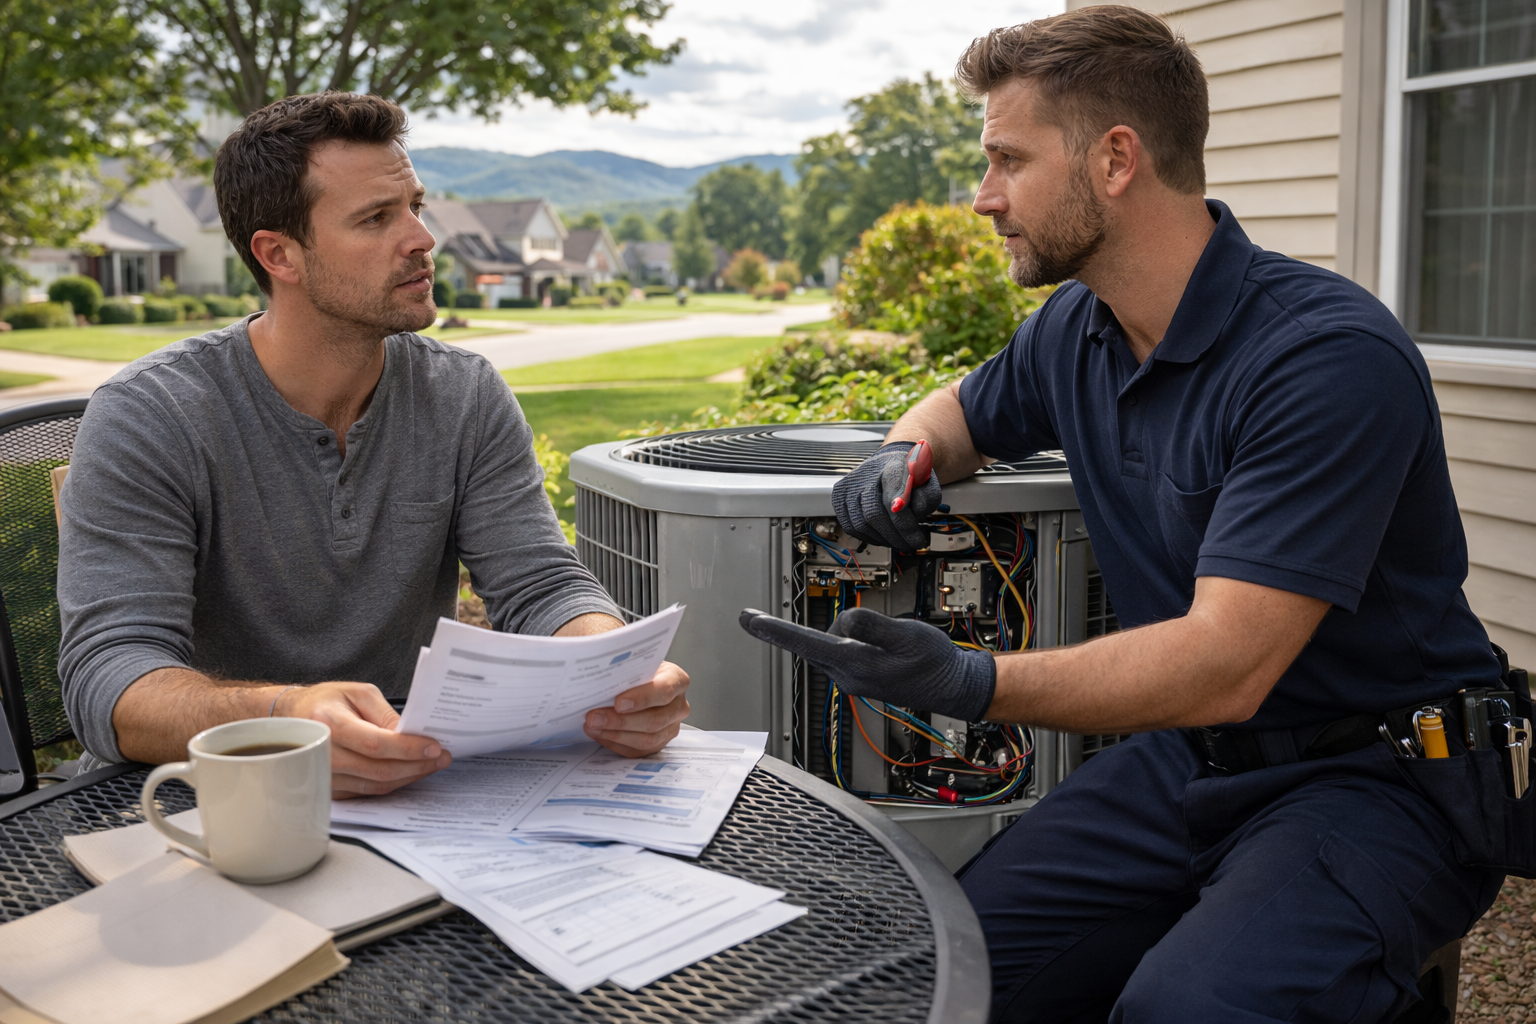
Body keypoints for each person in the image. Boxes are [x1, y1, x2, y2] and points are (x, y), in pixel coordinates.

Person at [740, 7, 1508, 1022]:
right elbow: (960, 413)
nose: (983, 199)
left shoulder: (1323, 360)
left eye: (1008, 160)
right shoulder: (1079, 328)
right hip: (1185, 761)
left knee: (1187, 1008)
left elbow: (1227, 664)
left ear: (1114, 160)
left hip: (1379, 777)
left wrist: (970, 680)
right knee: (945, 971)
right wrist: (903, 451)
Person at [58, 92, 689, 798]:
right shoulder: (152, 414)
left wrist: (612, 674)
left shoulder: (465, 394)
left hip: (406, 784)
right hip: (188, 801)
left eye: (415, 205)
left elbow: (539, 585)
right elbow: (111, 678)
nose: (422, 238)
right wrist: (284, 715)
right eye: (376, 218)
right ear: (279, 255)